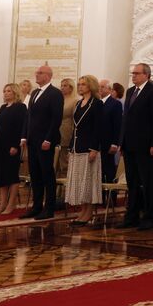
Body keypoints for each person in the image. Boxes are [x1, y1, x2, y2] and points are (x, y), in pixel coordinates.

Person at [118, 62, 153, 230]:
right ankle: (131, 216)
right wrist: (122, 143)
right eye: (133, 73)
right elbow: (126, 119)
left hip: (146, 146)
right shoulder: (131, 92)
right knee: (132, 182)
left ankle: (149, 217)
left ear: (146, 75)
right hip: (130, 144)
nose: (134, 75)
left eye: (137, 73)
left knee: (147, 182)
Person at [21, 65, 64, 220]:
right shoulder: (34, 92)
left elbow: (56, 118)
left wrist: (48, 139)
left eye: (40, 73)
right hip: (32, 140)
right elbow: (29, 117)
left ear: (48, 76)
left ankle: (49, 208)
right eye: (37, 72)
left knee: (47, 174)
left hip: (45, 141)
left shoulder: (55, 93)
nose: (36, 75)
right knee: (35, 174)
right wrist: (25, 136)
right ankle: (36, 206)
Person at [67, 75, 106, 226]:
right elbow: (75, 126)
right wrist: (71, 146)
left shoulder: (97, 104)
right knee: (79, 181)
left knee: (87, 181)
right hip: (76, 147)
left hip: (89, 148)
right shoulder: (78, 104)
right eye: (79, 84)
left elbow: (99, 128)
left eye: (83, 84)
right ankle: (82, 211)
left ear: (91, 86)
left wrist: (94, 148)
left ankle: (88, 212)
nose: (80, 86)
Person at [0, 83, 26, 214]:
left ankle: (11, 204)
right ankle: (3, 204)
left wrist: (16, 145)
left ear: (15, 92)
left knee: (11, 176)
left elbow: (21, 128)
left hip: (12, 146)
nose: (5, 93)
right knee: (1, 176)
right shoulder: (3, 107)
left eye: (9, 91)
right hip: (0, 145)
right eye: (4, 91)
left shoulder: (21, 107)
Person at [98, 79, 123, 185]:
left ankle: (110, 198)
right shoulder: (97, 103)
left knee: (108, 170)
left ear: (109, 89)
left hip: (108, 142)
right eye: (99, 87)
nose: (99, 89)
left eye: (102, 87)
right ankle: (100, 198)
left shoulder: (115, 104)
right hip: (97, 142)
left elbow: (117, 125)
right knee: (98, 172)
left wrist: (115, 143)